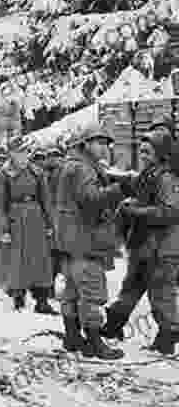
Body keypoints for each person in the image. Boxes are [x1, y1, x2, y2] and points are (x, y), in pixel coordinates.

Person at [54, 124, 135, 359]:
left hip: (69, 241)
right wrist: (120, 189)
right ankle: (95, 341)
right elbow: (92, 200)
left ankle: (71, 336)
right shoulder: (84, 169)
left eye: (105, 143)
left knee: (71, 291)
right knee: (91, 291)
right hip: (85, 239)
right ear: (85, 144)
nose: (103, 147)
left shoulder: (72, 164)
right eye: (98, 142)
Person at [102, 131, 179, 354]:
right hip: (144, 246)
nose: (143, 155)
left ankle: (167, 337)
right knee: (131, 288)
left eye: (148, 151)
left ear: (160, 153)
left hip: (162, 248)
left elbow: (171, 212)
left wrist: (134, 211)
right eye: (141, 151)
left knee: (161, 293)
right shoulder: (149, 175)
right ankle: (113, 325)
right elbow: (132, 182)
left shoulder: (166, 178)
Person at [0, 135, 56, 313]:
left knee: (40, 260)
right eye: (19, 152)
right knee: (16, 261)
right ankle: (18, 297)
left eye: (26, 151)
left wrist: (50, 224)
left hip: (36, 220)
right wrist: (3, 229)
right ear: (11, 154)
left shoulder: (37, 173)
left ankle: (42, 300)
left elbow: (46, 201)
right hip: (15, 221)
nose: (23, 155)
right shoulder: (1, 176)